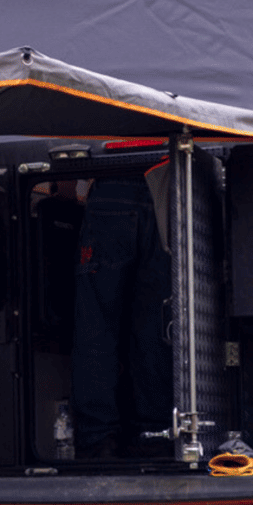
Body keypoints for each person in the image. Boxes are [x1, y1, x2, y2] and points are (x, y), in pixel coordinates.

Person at [71, 176, 173, 459]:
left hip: (112, 183)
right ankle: (154, 435)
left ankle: (97, 438)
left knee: (97, 325)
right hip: (163, 184)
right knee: (155, 326)